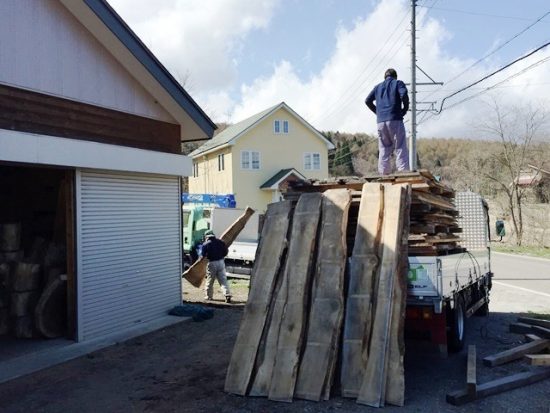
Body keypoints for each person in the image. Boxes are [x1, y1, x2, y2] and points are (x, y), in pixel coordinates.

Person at [365, 68, 410, 175]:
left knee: (384, 148)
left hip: (380, 122)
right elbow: (403, 95)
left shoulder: (377, 87)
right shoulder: (398, 83)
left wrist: (378, 112)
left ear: (385, 77)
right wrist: (404, 109)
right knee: (400, 146)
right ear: (395, 77)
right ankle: (403, 173)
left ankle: (384, 175)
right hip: (395, 119)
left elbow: (367, 100)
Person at [201, 230, 232, 303]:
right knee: (223, 280)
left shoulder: (205, 244)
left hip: (212, 263)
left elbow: (202, 255)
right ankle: (227, 294)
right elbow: (226, 252)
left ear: (207, 236)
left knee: (210, 280)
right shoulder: (221, 242)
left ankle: (209, 296)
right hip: (221, 262)